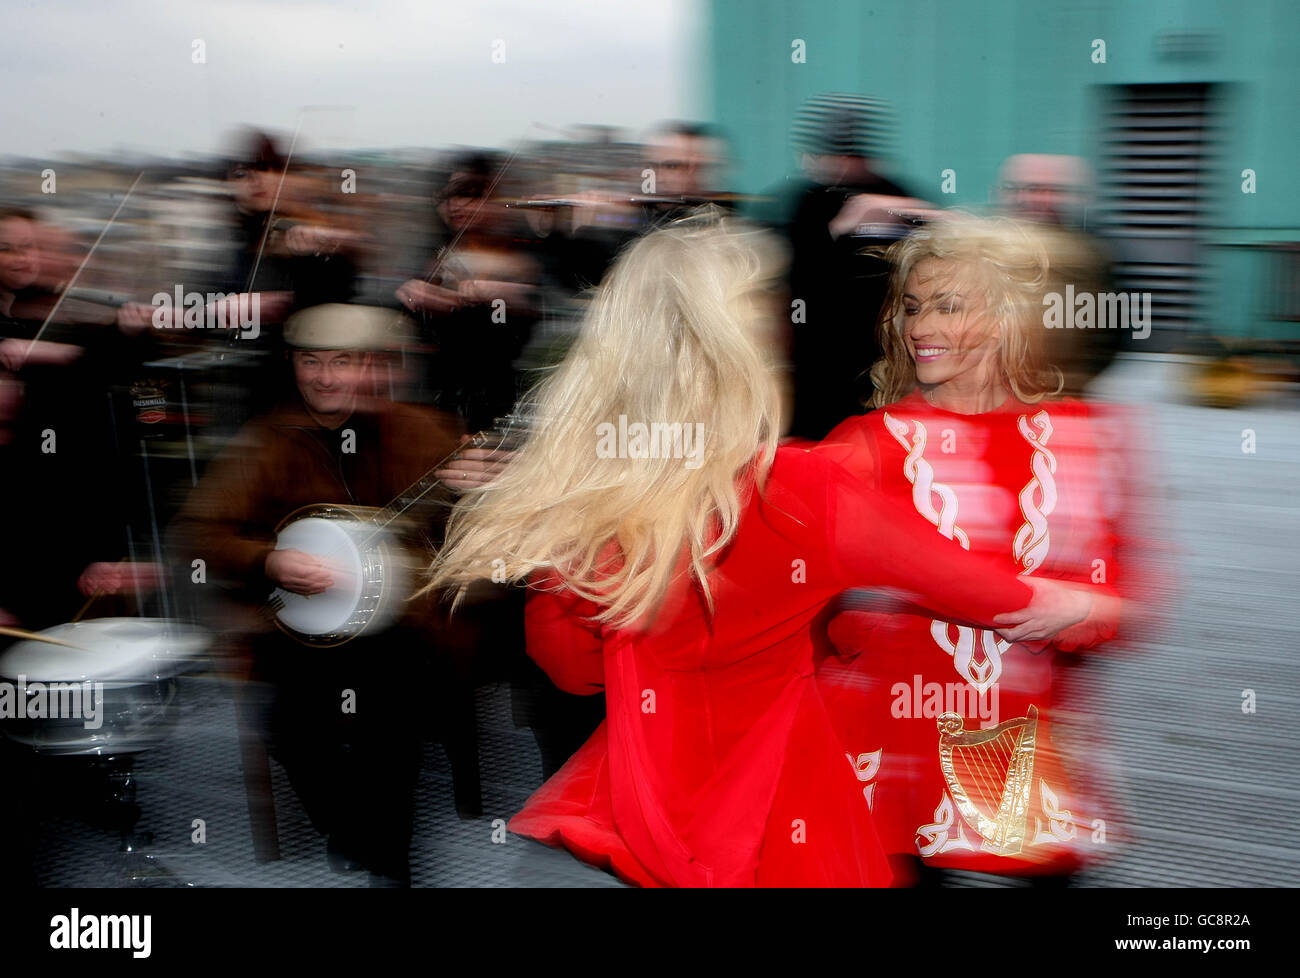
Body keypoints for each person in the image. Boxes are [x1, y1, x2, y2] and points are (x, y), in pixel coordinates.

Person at [424, 210, 1094, 887]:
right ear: (743, 341)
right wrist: (1076, 601)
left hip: (620, 826)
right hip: (778, 835)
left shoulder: (580, 506)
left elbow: (574, 673)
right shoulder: (805, 488)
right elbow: (997, 597)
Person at [815, 217, 1133, 884]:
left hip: (1027, 760)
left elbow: (1129, 599)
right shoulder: (864, 446)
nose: (919, 326)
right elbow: (800, 595)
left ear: (1007, 318)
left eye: (948, 305)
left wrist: (1076, 605)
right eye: (911, 306)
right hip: (888, 751)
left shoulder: (1084, 436)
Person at [170, 303, 468, 885]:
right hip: (302, 631)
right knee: (287, 722)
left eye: (343, 362)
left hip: (403, 624)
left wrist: (477, 491)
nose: (325, 376)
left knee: (391, 723)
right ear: (292, 364)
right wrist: (269, 559)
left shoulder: (421, 432)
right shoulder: (268, 442)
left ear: (375, 368)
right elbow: (196, 534)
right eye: (311, 361)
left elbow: (471, 530)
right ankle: (352, 829)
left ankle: (389, 862)